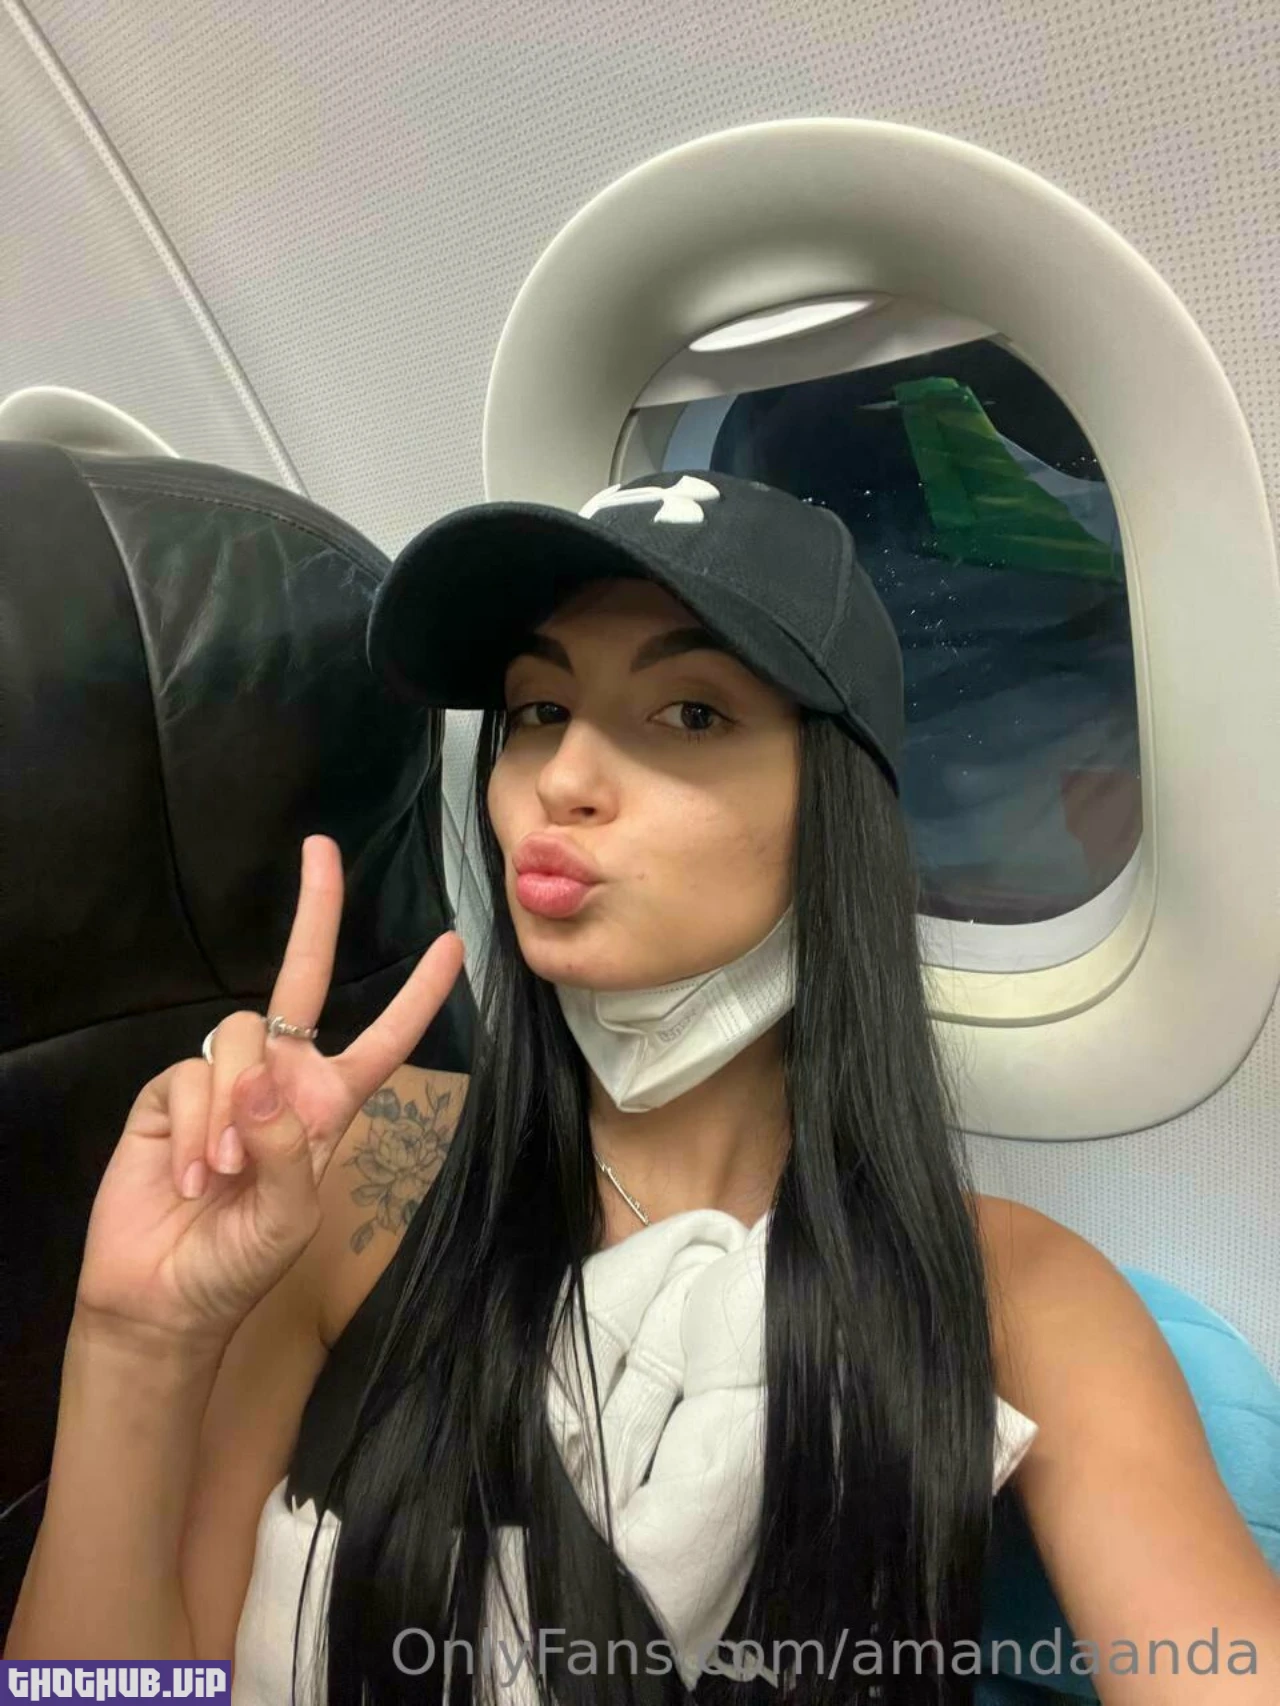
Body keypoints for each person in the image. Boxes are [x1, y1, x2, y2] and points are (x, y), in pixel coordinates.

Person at [8, 472, 1278, 1704]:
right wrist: (136, 1340)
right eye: (536, 710)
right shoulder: (348, 1177)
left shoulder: (1017, 1294)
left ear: (835, 808)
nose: (560, 778)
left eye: (689, 713)